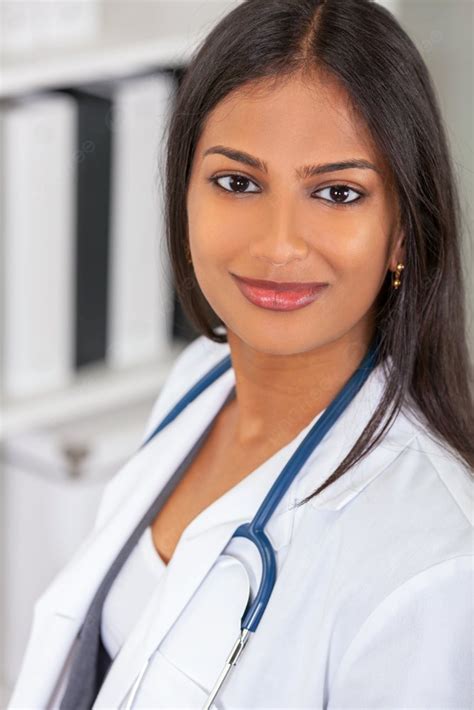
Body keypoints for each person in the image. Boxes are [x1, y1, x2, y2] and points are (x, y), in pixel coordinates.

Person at [9, 0, 473, 707]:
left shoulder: (434, 561)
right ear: (183, 192)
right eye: (237, 182)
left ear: (404, 233)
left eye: (338, 192)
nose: (279, 244)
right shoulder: (200, 378)